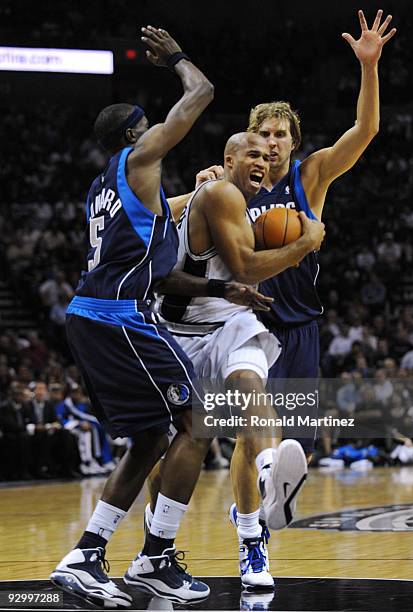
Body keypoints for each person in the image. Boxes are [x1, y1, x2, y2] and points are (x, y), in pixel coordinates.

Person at [50, 26, 270, 608]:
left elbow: (156, 272)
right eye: (150, 126)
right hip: (119, 317)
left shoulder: (105, 191)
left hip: (95, 314)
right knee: (197, 422)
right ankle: (154, 557)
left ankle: (88, 554)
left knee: (150, 437)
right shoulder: (138, 156)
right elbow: (202, 92)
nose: (158, 134)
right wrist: (175, 59)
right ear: (134, 135)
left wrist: (228, 292)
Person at [196, 8, 396, 580]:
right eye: (264, 135)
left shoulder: (311, 178)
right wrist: (207, 183)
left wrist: (369, 67)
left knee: (289, 451)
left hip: (300, 326)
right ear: (249, 142)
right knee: (248, 438)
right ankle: (250, 543)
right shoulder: (230, 183)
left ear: (294, 142)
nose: (273, 143)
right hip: (243, 327)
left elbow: (366, 132)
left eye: (282, 135)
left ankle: (268, 508)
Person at [156, 131, 325, 588]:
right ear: (228, 159)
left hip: (235, 320)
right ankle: (156, 549)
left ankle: (268, 485)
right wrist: (306, 243)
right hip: (180, 330)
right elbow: (246, 267)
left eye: (274, 144)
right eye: (255, 147)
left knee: (252, 388)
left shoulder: (258, 197)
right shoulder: (218, 192)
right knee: (169, 448)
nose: (266, 154)